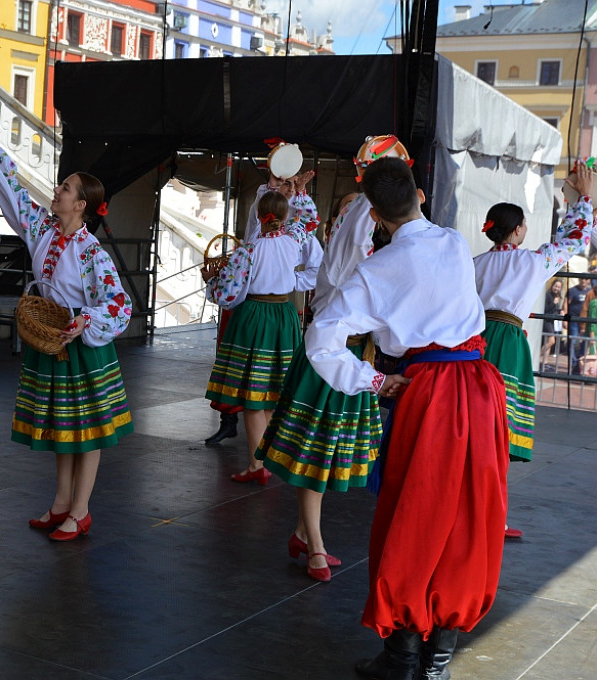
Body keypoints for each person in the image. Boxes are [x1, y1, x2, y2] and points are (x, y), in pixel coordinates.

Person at [305, 158, 508, 680]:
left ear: (372, 212)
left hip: (428, 396)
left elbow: (321, 337)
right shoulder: (454, 243)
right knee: (467, 521)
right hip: (480, 389)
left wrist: (373, 381)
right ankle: (437, 656)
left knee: (412, 516)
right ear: (420, 193)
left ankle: (403, 656)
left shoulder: (374, 273)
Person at [0, 111, 133, 542]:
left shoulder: (91, 253)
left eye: (65, 189)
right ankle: (62, 503)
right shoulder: (42, 229)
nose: (56, 191)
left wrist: (85, 321)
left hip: (84, 348)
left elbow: (120, 303)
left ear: (80, 205)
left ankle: (81, 510)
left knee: (89, 432)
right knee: (64, 428)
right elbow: (12, 192)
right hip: (53, 344)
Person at [254, 187, 382, 583]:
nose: (356, 216)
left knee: (325, 457)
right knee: (314, 457)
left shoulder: (366, 261)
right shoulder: (339, 259)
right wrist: (376, 186)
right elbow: (356, 228)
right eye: (347, 209)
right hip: (327, 364)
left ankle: (302, 533)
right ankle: (317, 545)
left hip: (355, 362)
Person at [474, 166, 594, 539]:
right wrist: (583, 201)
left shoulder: (474, 263)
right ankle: (494, 516)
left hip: (473, 341)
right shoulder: (530, 262)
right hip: (508, 343)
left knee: (475, 424)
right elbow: (572, 240)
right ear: (517, 230)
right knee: (501, 429)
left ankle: (475, 510)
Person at [203, 189, 321, 484]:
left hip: (255, 316)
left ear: (258, 215)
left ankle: (258, 466)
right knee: (270, 394)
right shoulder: (294, 239)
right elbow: (310, 221)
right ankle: (263, 460)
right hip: (284, 315)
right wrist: (301, 193)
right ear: (285, 216)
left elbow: (227, 293)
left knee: (253, 396)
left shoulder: (249, 250)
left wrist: (212, 281)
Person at [566, 276, 591, 373]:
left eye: (585, 279)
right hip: (574, 319)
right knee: (574, 340)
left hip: (585, 320)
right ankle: (573, 362)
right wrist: (565, 318)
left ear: (588, 281)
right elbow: (566, 303)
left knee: (584, 342)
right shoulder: (573, 290)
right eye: (582, 279)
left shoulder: (590, 292)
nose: (583, 281)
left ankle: (579, 363)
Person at [541, 279, 566, 371]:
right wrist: (553, 303)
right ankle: (535, 357)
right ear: (552, 286)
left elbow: (553, 310)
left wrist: (560, 311)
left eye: (559, 287)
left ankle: (545, 363)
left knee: (549, 342)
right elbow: (545, 309)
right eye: (555, 286)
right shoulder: (548, 295)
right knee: (551, 341)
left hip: (551, 321)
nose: (557, 289)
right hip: (546, 321)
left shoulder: (556, 296)